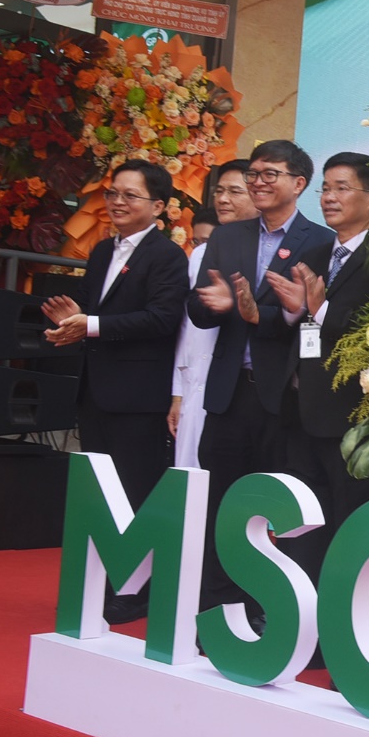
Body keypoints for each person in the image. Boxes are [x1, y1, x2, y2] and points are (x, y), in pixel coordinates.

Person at [186, 140, 334, 612]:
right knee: (222, 506)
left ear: (299, 183)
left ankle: (267, 610)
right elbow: (197, 309)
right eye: (253, 174)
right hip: (228, 397)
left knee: (280, 510)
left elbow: (310, 322)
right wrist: (215, 304)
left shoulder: (321, 241)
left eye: (270, 174)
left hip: (283, 399)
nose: (258, 182)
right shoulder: (227, 238)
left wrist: (263, 313)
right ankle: (216, 610)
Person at [42, 161, 188, 623]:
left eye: (130, 195)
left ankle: (137, 589)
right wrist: (71, 322)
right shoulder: (104, 249)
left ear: (159, 207)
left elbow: (162, 318)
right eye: (112, 194)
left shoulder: (167, 256)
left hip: (138, 396)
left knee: (135, 491)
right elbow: (92, 310)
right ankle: (103, 583)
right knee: (100, 494)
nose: (117, 202)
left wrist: (91, 324)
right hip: (96, 391)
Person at [263, 152, 369, 592]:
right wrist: (294, 310)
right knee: (303, 525)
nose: (329, 198)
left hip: (355, 421)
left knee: (354, 529)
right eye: (325, 188)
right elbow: (304, 322)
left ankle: (350, 621)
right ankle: (301, 616)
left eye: (342, 188)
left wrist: (320, 309)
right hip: (303, 412)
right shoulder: (317, 253)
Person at [169, 164, 258, 469]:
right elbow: (185, 329)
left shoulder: (270, 252)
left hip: (238, 387)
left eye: (235, 191)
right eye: (219, 191)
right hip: (195, 382)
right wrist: (177, 393)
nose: (222, 199)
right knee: (192, 473)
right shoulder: (200, 254)